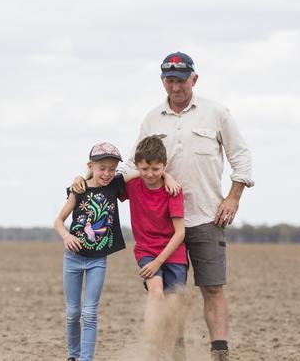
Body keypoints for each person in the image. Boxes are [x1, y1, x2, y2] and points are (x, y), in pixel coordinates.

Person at [120, 52, 254, 361]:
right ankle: (175, 353)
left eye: (181, 80)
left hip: (208, 216)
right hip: (164, 226)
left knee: (213, 288)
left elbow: (242, 155)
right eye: (169, 80)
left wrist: (233, 196)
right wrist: (97, 180)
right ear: (162, 81)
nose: (175, 86)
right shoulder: (152, 118)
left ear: (194, 79)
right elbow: (133, 162)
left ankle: (219, 353)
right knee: (173, 295)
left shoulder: (217, 113)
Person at [53, 142, 129, 361]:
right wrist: (67, 236)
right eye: (102, 168)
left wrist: (168, 177)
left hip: (98, 260)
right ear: (91, 166)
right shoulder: (79, 189)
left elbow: (142, 172)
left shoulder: (115, 185)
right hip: (73, 259)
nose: (107, 173)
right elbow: (58, 221)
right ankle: (73, 356)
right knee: (73, 313)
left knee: (90, 313)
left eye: (112, 169)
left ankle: (86, 359)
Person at [121, 135, 187, 361]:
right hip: (146, 250)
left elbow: (180, 233)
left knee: (172, 307)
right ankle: (150, 349)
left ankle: (166, 356)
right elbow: (105, 179)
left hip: (173, 252)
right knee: (156, 294)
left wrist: (159, 261)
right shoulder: (132, 185)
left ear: (164, 166)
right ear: (137, 166)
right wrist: (81, 176)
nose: (150, 174)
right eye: (144, 168)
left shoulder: (173, 191)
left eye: (156, 169)